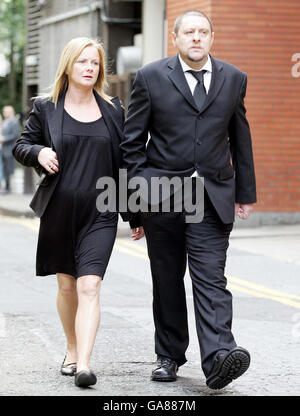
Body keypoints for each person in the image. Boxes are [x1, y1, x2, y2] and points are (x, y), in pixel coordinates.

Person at [120, 10, 256, 390]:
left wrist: (244, 193)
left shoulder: (233, 78)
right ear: (175, 38)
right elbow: (132, 146)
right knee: (167, 279)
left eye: (203, 32)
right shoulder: (149, 77)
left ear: (212, 38)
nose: (196, 38)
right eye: (189, 32)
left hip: (212, 195)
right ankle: (169, 355)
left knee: (211, 276)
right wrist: (134, 208)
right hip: (161, 195)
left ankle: (219, 357)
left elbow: (240, 138)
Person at [12, 37, 137, 388]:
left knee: (90, 286)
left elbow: (124, 164)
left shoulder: (113, 110)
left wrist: (135, 215)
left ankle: (84, 363)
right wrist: (37, 152)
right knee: (67, 286)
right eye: (82, 62)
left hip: (101, 212)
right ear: (69, 65)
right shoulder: (46, 107)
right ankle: (70, 346)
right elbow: (21, 146)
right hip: (59, 211)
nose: (89, 68)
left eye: (94, 63)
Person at [0, 105, 20, 193]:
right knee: (4, 169)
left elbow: (15, 135)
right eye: (4, 111)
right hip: (4, 149)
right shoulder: (5, 122)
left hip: (10, 149)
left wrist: (4, 138)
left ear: (11, 112)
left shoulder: (14, 122)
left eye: (6, 111)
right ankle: (6, 187)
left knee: (9, 169)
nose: (4, 113)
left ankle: (9, 188)